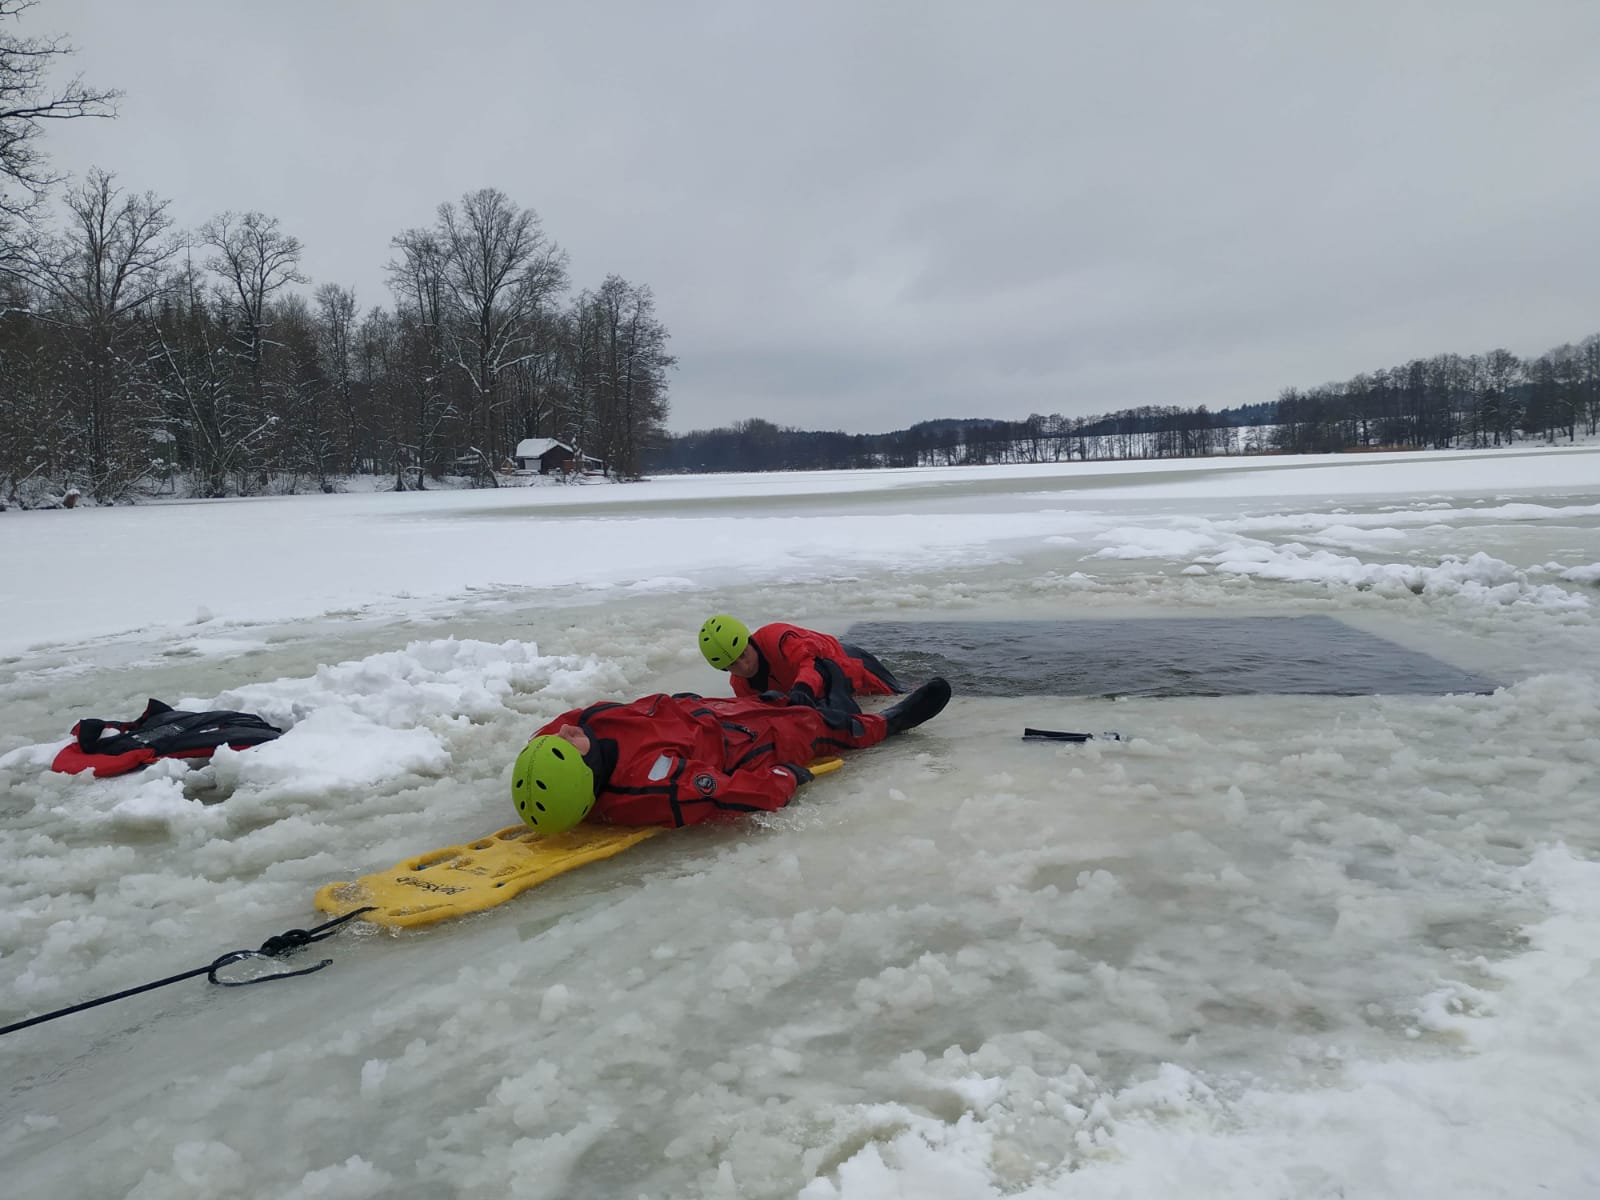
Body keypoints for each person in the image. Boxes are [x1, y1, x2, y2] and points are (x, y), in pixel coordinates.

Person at [511, 677, 952, 832]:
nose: (566, 729)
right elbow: (731, 793)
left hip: (697, 710)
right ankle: (883, 724)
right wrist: (783, 777)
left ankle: (809, 696)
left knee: (777, 698)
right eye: (567, 742)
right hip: (743, 740)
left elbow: (549, 732)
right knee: (818, 726)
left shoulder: (578, 731)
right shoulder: (650, 782)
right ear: (582, 772)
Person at [697, 615, 903, 705]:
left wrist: (802, 689)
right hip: (825, 693)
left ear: (750, 641)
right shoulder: (741, 685)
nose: (744, 665)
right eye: (733, 664)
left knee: (899, 694)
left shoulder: (778, 638)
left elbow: (810, 664)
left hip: (853, 664)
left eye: (743, 655)